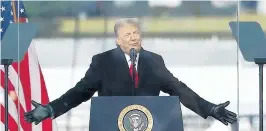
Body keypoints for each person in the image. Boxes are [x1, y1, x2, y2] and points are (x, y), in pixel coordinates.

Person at [24, 18, 237, 126]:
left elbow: (178, 89)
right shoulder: (103, 62)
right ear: (117, 40)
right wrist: (51, 110)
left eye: (136, 33)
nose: (134, 38)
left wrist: (210, 108)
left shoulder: (154, 60)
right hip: (111, 126)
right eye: (127, 35)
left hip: (150, 126)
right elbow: (79, 92)